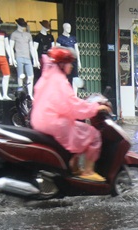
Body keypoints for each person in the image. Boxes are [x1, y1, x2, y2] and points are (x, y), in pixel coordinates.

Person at [31, 47, 110, 182]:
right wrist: (95, 108)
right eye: (70, 63)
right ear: (62, 65)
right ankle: (88, 172)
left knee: (79, 133)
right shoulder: (60, 81)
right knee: (93, 135)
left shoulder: (47, 77)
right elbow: (72, 106)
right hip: (54, 123)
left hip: (40, 120)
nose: (72, 66)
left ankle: (74, 168)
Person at [10, 18, 37, 97]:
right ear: (18, 25)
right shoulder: (14, 34)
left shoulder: (28, 35)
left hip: (27, 57)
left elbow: (32, 48)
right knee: (20, 76)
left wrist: (34, 59)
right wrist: (12, 58)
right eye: (21, 25)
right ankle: (21, 94)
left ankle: (29, 94)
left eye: (23, 25)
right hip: (19, 57)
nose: (23, 27)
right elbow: (11, 47)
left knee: (31, 76)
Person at [56, 23, 82, 94]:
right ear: (64, 28)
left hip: (74, 60)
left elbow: (77, 50)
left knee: (75, 77)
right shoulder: (60, 38)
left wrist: (79, 61)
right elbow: (57, 49)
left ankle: (75, 94)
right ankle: (65, 94)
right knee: (65, 77)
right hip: (65, 61)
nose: (69, 29)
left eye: (70, 27)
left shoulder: (73, 38)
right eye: (67, 27)